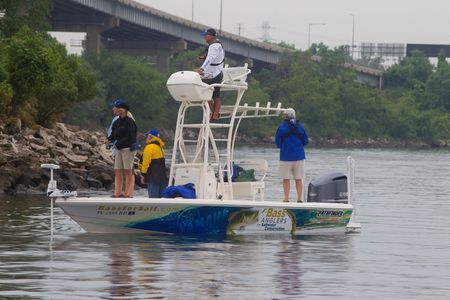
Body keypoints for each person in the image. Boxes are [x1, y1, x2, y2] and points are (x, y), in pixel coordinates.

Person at [275, 108, 309, 203]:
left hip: (285, 157)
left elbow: (278, 143)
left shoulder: (281, 128)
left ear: (285, 116)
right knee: (299, 179)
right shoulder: (301, 127)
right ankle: (299, 199)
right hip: (299, 157)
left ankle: (286, 199)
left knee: (286, 179)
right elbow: (305, 141)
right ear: (294, 115)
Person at [194, 28, 225, 122]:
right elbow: (213, 57)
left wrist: (201, 69)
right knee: (213, 95)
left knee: (209, 94)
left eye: (206, 35)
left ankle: (214, 114)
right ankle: (215, 114)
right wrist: (203, 57)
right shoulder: (217, 45)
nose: (204, 37)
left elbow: (210, 58)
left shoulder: (214, 46)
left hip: (214, 74)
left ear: (211, 36)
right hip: (214, 74)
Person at [108, 101, 137, 198]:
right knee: (117, 170)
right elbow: (113, 135)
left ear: (121, 110)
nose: (113, 109)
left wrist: (118, 143)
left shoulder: (130, 122)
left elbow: (131, 138)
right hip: (118, 149)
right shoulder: (116, 122)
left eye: (115, 108)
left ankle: (127, 194)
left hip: (127, 149)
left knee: (128, 171)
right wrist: (108, 140)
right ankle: (117, 193)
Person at [139, 129, 168, 198]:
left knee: (153, 199)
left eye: (147, 136)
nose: (146, 138)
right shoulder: (160, 148)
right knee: (161, 199)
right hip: (162, 177)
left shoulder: (149, 147)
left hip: (153, 177)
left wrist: (143, 174)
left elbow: (145, 163)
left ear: (150, 137)